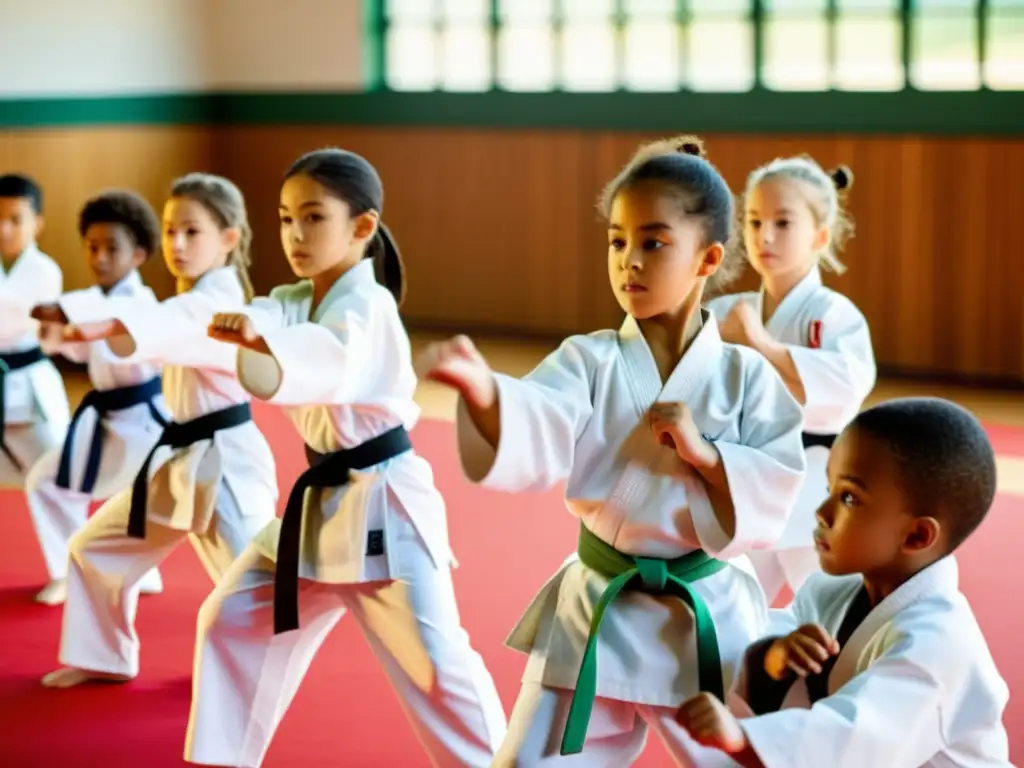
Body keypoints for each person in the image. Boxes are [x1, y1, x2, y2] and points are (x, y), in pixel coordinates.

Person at [416, 136, 806, 765]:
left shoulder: (746, 378)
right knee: (528, 761)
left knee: (746, 755)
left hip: (704, 615)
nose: (629, 261)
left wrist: (704, 454)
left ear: (707, 259)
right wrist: (485, 390)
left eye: (653, 242)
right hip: (599, 605)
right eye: (617, 241)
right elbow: (538, 417)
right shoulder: (588, 360)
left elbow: (779, 482)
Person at [184, 149, 506, 768]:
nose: (295, 235)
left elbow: (325, 359)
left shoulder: (368, 307)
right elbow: (266, 316)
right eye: (284, 219)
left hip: (385, 505)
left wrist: (263, 340)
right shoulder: (292, 299)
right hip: (318, 508)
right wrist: (247, 326)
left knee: (437, 671)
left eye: (313, 218)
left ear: (362, 227)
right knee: (230, 621)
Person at [33, 173, 279, 689]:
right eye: (170, 232)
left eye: (192, 232)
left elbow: (162, 321)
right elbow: (151, 319)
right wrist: (82, 326)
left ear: (229, 239)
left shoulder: (218, 301)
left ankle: (257, 673)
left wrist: (83, 320)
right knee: (95, 549)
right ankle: (104, 658)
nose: (177, 245)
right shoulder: (186, 296)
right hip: (181, 452)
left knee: (250, 578)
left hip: (226, 459)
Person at [676, 397, 1011, 768]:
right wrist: (774, 658)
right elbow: (765, 637)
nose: (822, 512)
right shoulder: (831, 591)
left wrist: (744, 739)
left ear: (916, 536)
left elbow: (856, 737)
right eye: (829, 489)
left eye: (849, 497)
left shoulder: (940, 643)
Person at [707, 157, 875, 603]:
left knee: (828, 613)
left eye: (783, 223)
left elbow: (842, 393)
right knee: (727, 605)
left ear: (820, 236)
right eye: (755, 221)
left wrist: (764, 345)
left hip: (812, 487)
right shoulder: (728, 314)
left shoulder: (834, 316)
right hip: (746, 481)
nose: (764, 236)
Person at [27, 189, 167, 606]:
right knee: (47, 482)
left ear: (138, 255)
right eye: (92, 247)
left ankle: (139, 571)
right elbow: (77, 342)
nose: (100, 257)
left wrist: (64, 317)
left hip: (144, 422)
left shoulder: (140, 303)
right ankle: (68, 571)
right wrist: (58, 329)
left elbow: (87, 319)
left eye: (112, 248)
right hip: (105, 419)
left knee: (141, 503)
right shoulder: (93, 300)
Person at [0, 173, 70, 489]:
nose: (4, 230)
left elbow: (17, 315)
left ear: (37, 223)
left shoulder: (45, 271)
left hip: (29, 382)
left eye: (16, 219)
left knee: (55, 473)